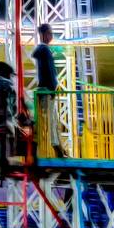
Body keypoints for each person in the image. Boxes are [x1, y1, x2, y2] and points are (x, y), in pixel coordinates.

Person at [31, 23, 64, 156]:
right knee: (51, 120)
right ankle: (56, 148)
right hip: (47, 90)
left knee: (49, 119)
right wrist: (53, 89)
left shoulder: (42, 50)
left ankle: (57, 147)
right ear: (43, 34)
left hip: (44, 90)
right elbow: (50, 72)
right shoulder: (45, 51)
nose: (51, 36)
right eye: (50, 33)